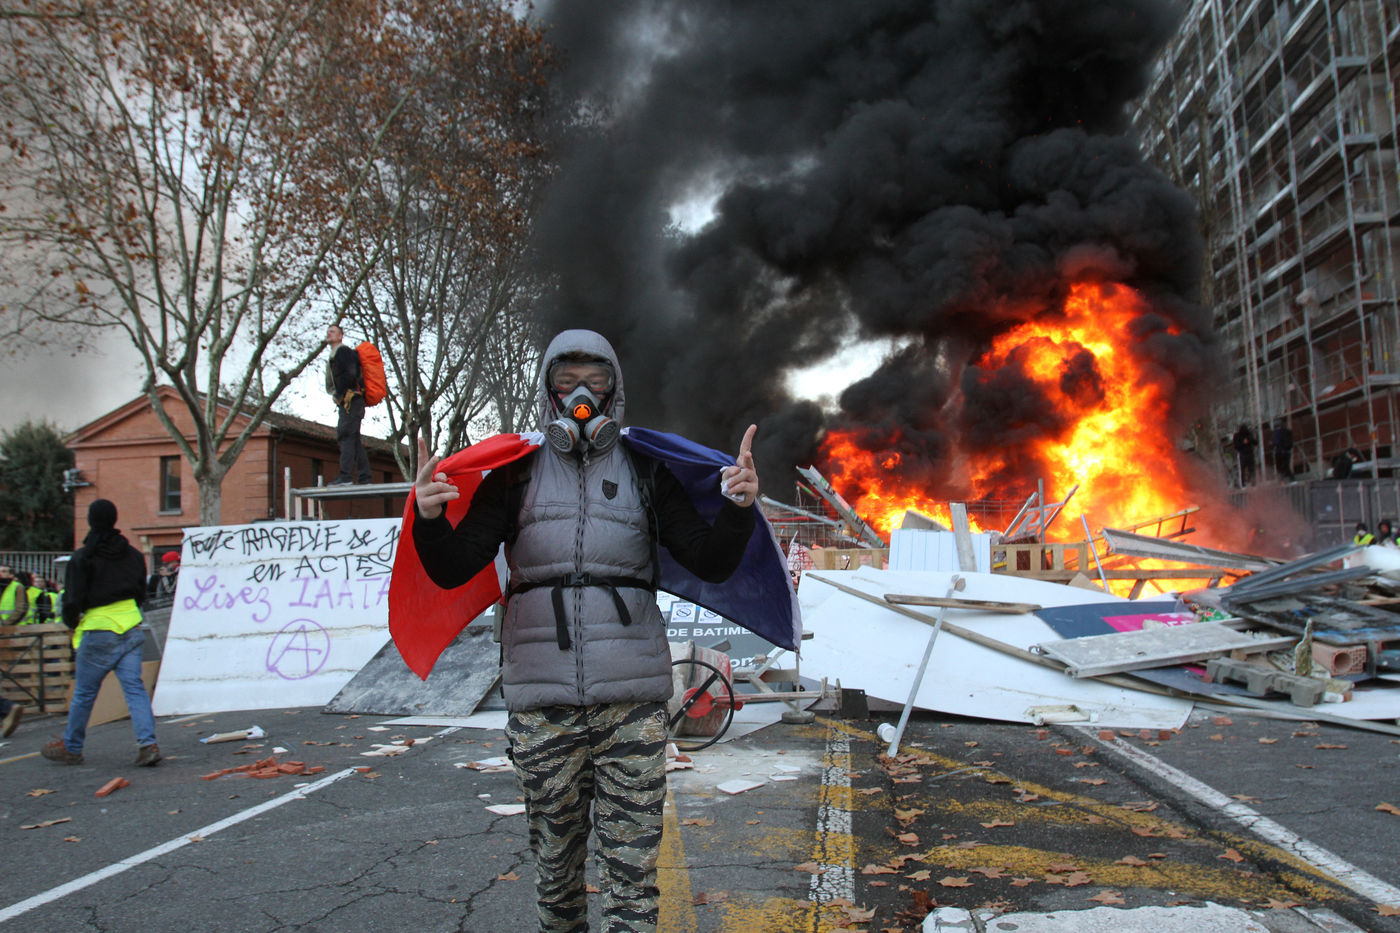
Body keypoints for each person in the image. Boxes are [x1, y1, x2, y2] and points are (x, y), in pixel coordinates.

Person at [411, 330, 758, 932]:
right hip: (542, 706)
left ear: (613, 389)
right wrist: (430, 518)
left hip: (632, 704)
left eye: (594, 380)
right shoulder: (513, 475)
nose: (580, 394)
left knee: (632, 876)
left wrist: (738, 510)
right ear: (547, 390)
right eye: (566, 379)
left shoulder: (646, 470)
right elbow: (451, 568)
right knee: (556, 873)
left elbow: (711, 561)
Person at [42, 499, 161, 767]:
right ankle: (148, 744)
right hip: (130, 626)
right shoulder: (133, 555)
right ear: (115, 519)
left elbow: (72, 599)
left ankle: (72, 747)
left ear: (91, 521)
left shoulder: (83, 556)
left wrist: (72, 621)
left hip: (98, 629)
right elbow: (141, 592)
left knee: (85, 693)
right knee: (135, 689)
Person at [324, 324, 371, 486]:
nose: (329, 334)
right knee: (353, 438)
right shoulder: (336, 353)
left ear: (340, 336)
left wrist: (339, 394)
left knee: (345, 435)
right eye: (328, 331)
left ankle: (345, 477)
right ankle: (365, 477)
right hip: (351, 401)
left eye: (332, 331)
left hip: (351, 400)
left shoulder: (343, 351)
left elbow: (350, 374)